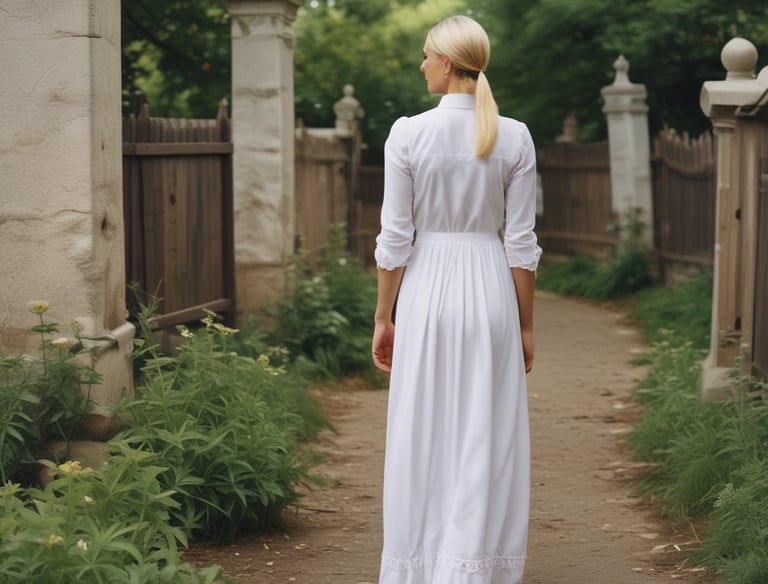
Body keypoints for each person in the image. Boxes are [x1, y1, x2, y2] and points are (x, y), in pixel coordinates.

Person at [371, 14, 542, 584]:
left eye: (426, 55)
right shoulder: (514, 136)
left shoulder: (408, 133)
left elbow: (395, 240)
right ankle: (472, 568)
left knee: (421, 428)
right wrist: (525, 325)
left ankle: (420, 567)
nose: (421, 65)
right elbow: (520, 244)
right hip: (490, 288)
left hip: (424, 293)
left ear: (447, 62)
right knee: (485, 432)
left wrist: (383, 317)